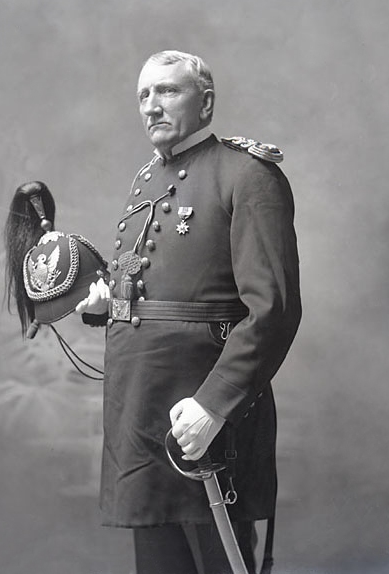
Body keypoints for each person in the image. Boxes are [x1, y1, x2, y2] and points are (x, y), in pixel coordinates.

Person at [76, 50, 302, 574]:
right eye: (143, 95)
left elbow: (272, 310)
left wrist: (215, 405)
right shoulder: (147, 179)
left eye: (168, 91)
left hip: (200, 413)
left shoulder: (247, 175)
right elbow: (157, 284)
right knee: (158, 564)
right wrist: (110, 302)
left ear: (206, 102)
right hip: (140, 412)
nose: (152, 107)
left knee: (220, 561)